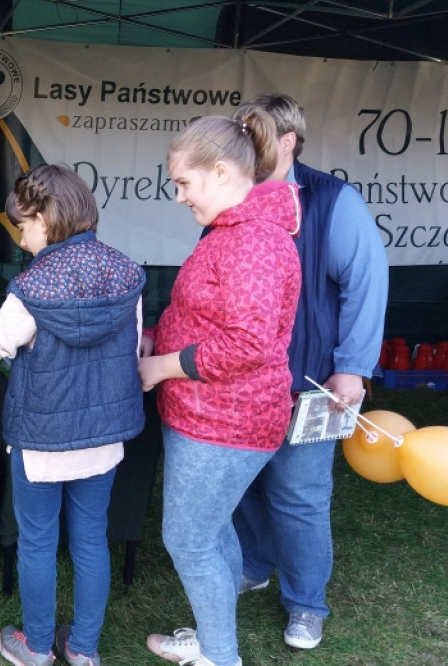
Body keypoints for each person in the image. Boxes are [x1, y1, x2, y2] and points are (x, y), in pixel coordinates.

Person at [0, 164, 146, 666]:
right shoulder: (126, 273)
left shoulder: (32, 287)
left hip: (43, 439)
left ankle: (35, 647)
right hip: (103, 437)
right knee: (91, 539)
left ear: (46, 217)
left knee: (37, 541)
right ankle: (84, 649)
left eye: (25, 226)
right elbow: (134, 347)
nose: (22, 238)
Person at [140, 113, 302, 666]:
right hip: (212, 415)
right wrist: (156, 336)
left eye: (184, 183)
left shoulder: (252, 240)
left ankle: (219, 657)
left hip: (224, 422)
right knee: (213, 531)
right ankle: (213, 641)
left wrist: (162, 367)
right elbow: (204, 314)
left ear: (223, 171)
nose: (180, 196)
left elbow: (246, 345)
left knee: (188, 540)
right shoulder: (234, 232)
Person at [230, 93, 388, 649]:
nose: (244, 144)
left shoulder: (332, 199)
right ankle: (254, 562)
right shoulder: (231, 194)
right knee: (244, 484)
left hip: (308, 381)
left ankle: (305, 604)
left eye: (256, 134)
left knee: (299, 495)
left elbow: (367, 283)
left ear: (289, 141)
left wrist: (353, 368)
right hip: (240, 382)